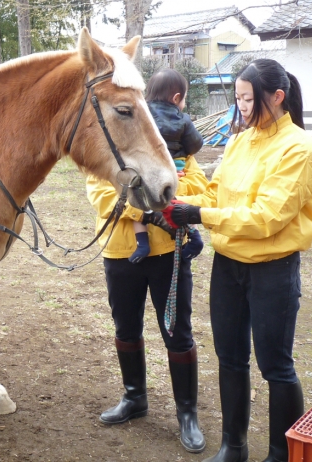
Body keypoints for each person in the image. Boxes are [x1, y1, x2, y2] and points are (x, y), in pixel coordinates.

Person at [162, 59, 312, 462]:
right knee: (230, 357)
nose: (242, 107)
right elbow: (218, 196)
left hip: (273, 268)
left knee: (275, 365)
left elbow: (267, 217)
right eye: (237, 98)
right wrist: (174, 203)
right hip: (229, 265)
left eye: (248, 99)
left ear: (277, 97)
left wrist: (199, 216)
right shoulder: (239, 141)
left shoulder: (300, 149)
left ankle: (280, 454)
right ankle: (233, 446)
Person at [86, 137, 209, 452]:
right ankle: (134, 397)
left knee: (177, 332)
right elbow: (101, 196)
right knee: (125, 328)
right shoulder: (104, 152)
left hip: (168, 252)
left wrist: (161, 196)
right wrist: (148, 211)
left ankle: (187, 413)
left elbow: (196, 186)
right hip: (119, 253)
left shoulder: (174, 148)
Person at [130, 69, 205, 264]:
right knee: (178, 206)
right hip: (175, 168)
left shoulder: (138, 115)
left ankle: (142, 242)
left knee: (139, 202)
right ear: (176, 97)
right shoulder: (182, 118)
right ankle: (194, 235)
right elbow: (195, 145)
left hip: (144, 169)